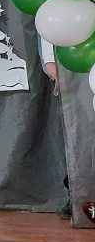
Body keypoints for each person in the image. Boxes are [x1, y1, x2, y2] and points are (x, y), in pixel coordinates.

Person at [40, 36, 72, 220]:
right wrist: (60, 78)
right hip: (75, 85)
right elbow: (49, 59)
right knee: (78, 141)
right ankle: (78, 196)